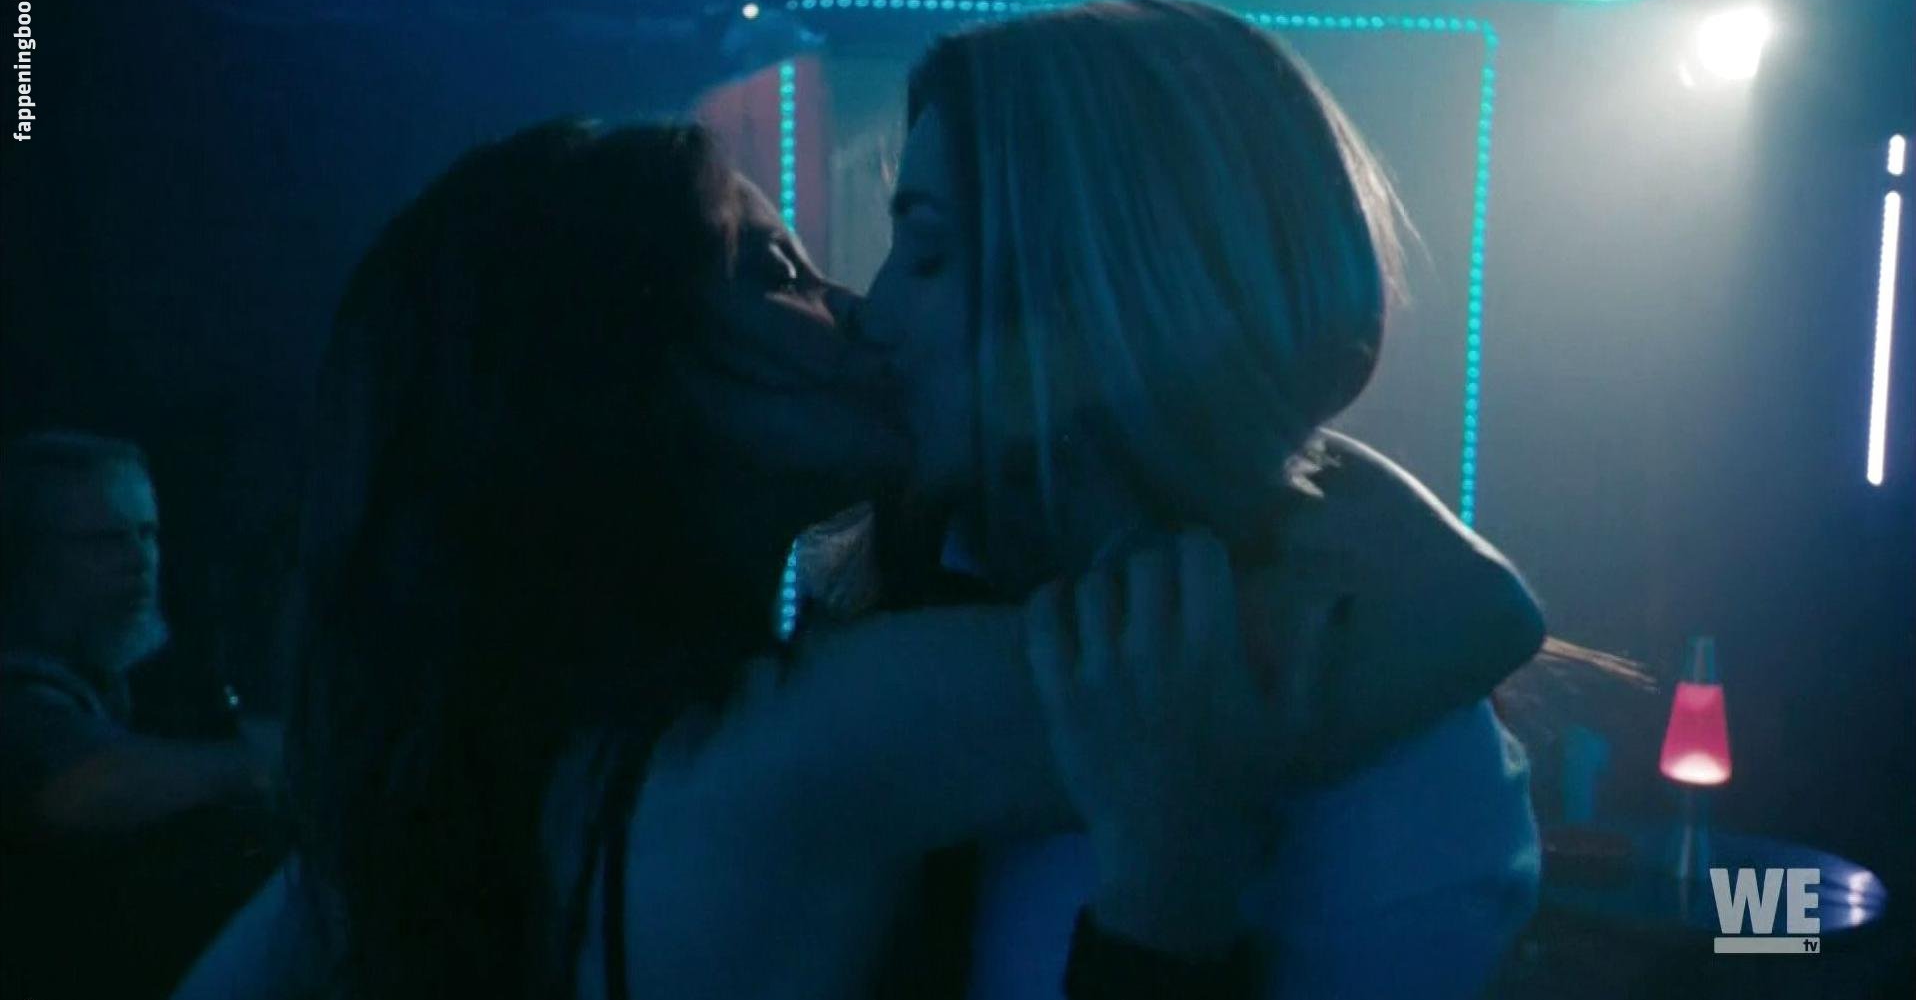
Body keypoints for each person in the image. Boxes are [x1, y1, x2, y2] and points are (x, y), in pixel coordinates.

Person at [176, 105, 1539, 1000]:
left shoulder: (485, 769)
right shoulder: (822, 731)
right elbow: (1461, 607)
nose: (858, 307)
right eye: (773, 272)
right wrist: (1172, 358)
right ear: (607, 382)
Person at [0, 430, 282, 999]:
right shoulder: (17, 692)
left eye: (147, 533)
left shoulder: (138, 679)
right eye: (102, 541)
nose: (140, 560)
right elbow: (80, 786)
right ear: (28, 557)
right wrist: (264, 766)